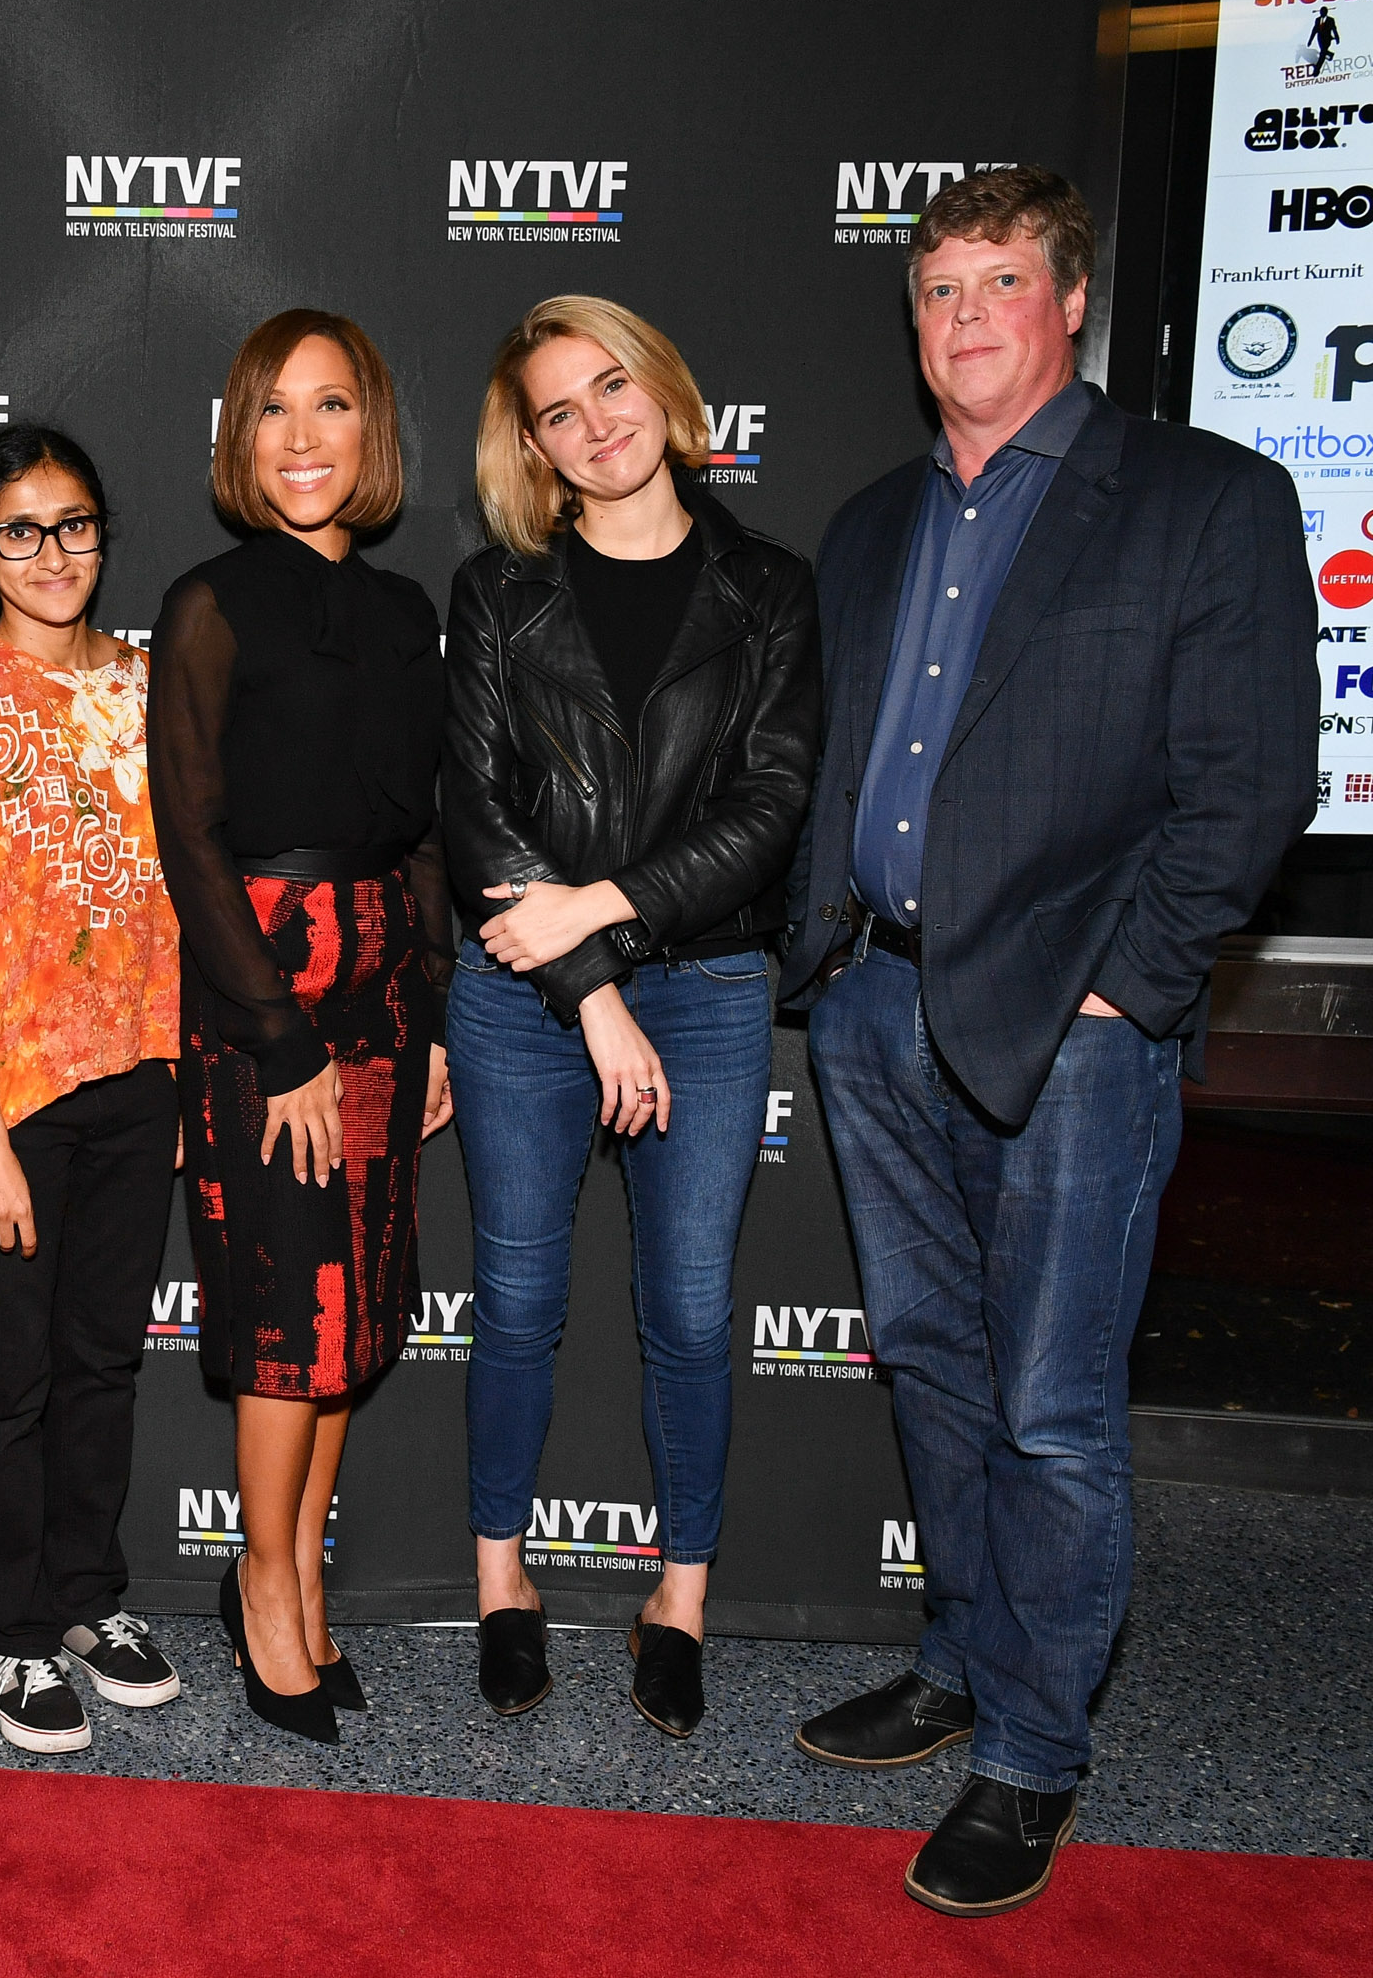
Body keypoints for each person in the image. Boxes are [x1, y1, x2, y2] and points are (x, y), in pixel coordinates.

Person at [780, 166, 1316, 1917]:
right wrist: (826, 954)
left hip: (1074, 1031)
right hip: (878, 1003)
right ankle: (964, 1656)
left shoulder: (1204, 500)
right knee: (935, 1368)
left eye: (1002, 281)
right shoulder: (871, 524)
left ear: (1071, 301)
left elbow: (1251, 784)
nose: (967, 317)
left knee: (1054, 1408)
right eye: (939, 289)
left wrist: (1126, 984)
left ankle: (1032, 1752)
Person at [441, 297, 820, 1733]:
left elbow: (771, 808)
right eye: (559, 410)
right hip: (525, 994)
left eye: (612, 386)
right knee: (516, 1301)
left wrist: (601, 911)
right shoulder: (498, 592)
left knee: (692, 1310)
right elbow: (475, 817)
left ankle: (682, 1599)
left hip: (710, 984)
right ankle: (501, 1581)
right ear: (534, 446)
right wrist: (593, 989)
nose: (596, 424)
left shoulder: (770, 588)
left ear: (662, 386)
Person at [149, 309, 454, 1745]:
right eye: (272, 408)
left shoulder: (404, 613)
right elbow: (190, 838)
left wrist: (430, 1020)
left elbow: (425, 833)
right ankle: (263, 1583)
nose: (302, 437)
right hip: (265, 992)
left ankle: (300, 1574)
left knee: (355, 1312)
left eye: (330, 405)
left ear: (370, 427)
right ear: (240, 437)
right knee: (291, 1316)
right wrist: (278, 1039)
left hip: (387, 989)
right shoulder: (208, 603)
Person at [0, 425, 185, 1755]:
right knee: (8, 1383)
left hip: (140, 1077)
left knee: (102, 1365)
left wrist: (177, 1074)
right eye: (21, 530)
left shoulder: (151, 685)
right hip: (5, 1099)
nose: (52, 552)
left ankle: (86, 1598)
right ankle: (12, 1630)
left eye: (73, 525)